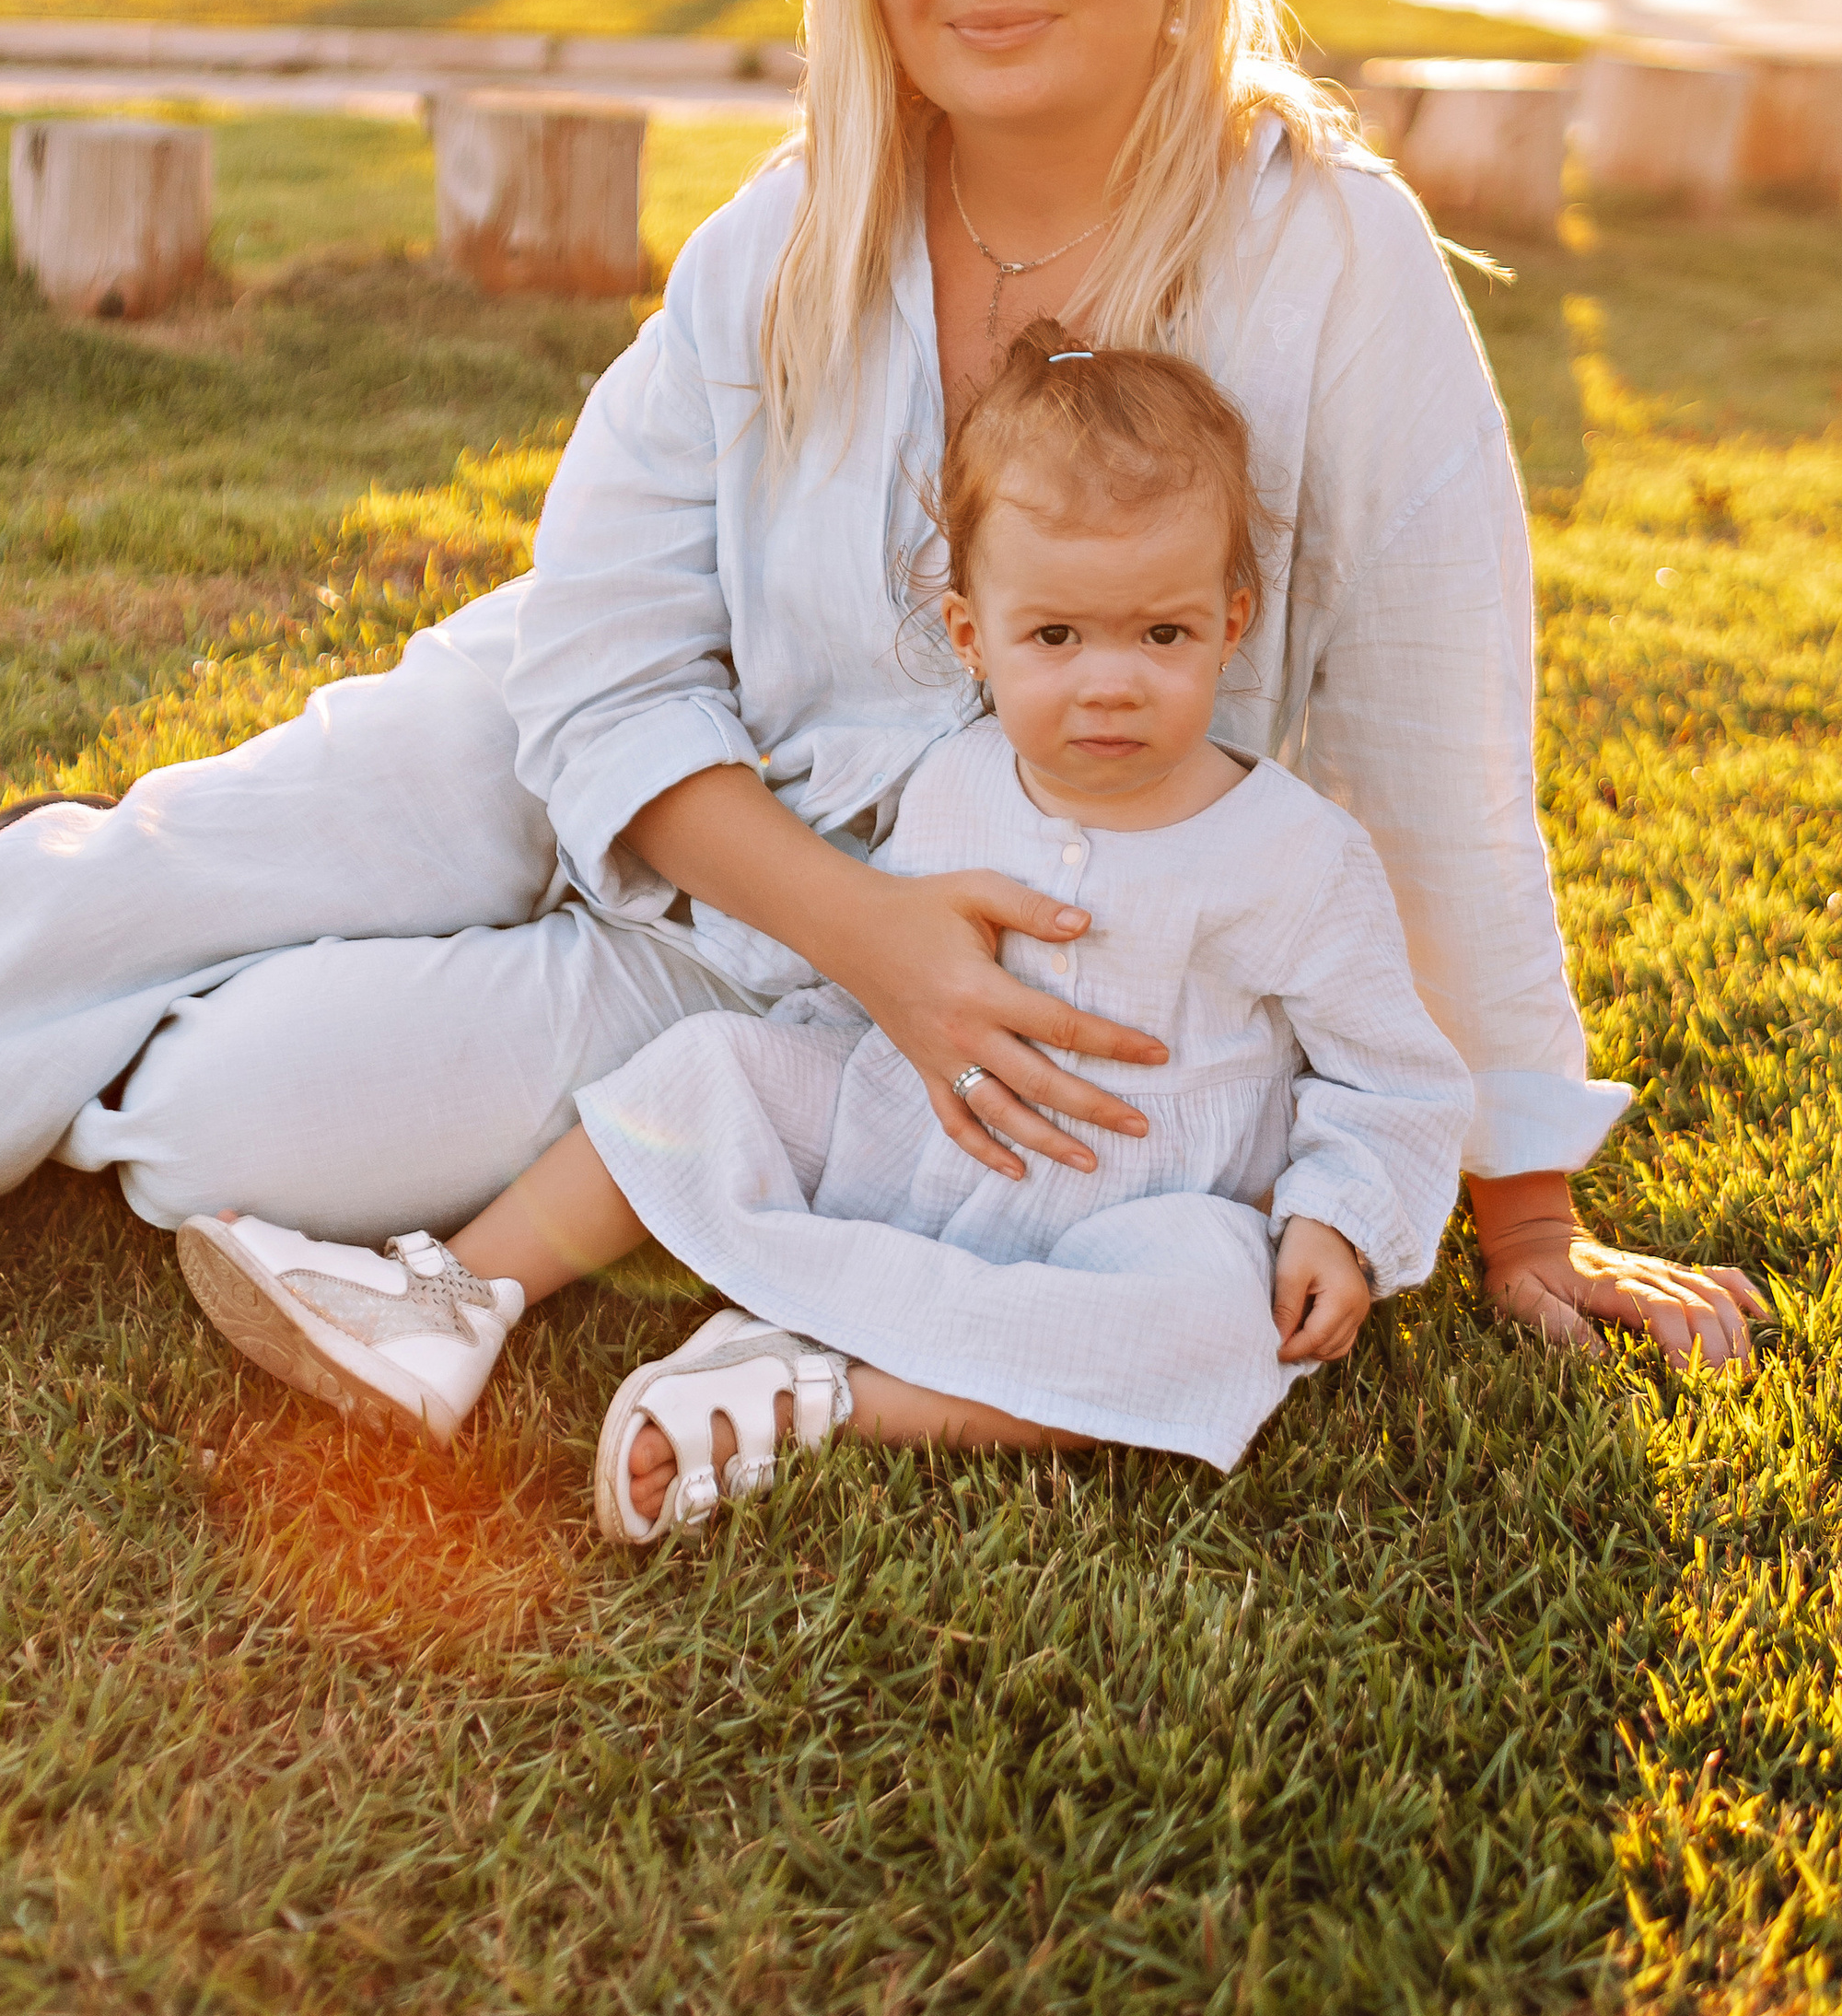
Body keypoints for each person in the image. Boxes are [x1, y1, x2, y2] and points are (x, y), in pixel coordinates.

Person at [0, 0, 1763, 1371]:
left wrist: (1519, 1223)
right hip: (593, 744)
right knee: (141, 873)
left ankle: (133, 1033)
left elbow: (1433, 763)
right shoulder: (795, 227)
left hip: (767, 974)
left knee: (214, 1125)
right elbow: (600, 648)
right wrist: (863, 926)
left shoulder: (1329, 257)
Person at [175, 330, 1475, 1534]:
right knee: (710, 1074)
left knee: (1208, 1316)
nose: (1110, 679)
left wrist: (1335, 1219)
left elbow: (1386, 1073)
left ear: (1232, 621)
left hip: (1137, 1206)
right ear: (974, 635)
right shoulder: (959, 786)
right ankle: (449, 1301)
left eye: (1164, 632)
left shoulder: (1293, 853)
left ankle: (819, 1394)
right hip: (911, 1141)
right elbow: (877, 991)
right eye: (1057, 634)